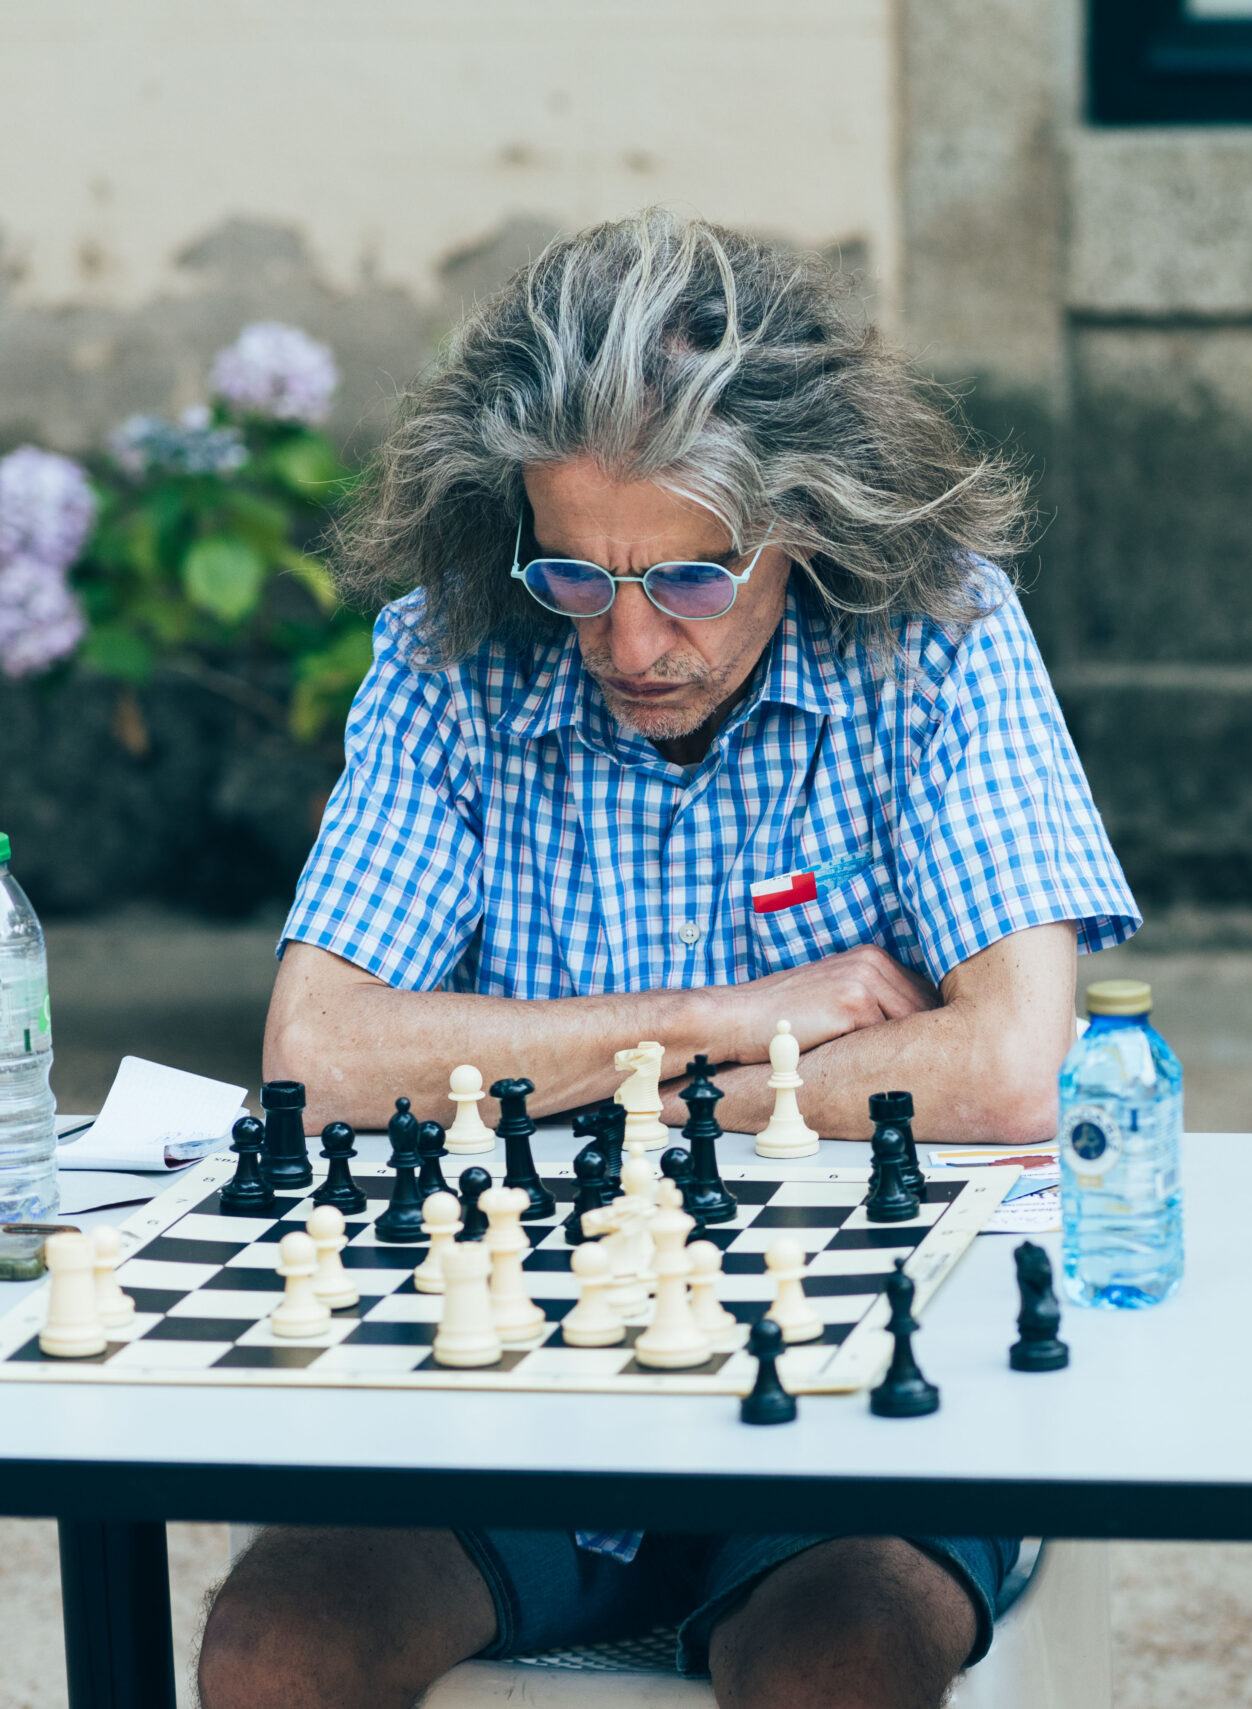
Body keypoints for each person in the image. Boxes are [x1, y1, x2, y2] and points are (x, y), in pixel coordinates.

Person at [199, 211, 1138, 1709]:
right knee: (272, 1647)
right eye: (577, 579)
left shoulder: (943, 635)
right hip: (511, 1375)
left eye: (694, 580)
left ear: (807, 525)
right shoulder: (447, 653)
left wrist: (548, 1080)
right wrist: (739, 1020)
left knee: (840, 1655)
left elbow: (1014, 1065)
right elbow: (318, 1057)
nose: (632, 641)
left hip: (851, 1378)